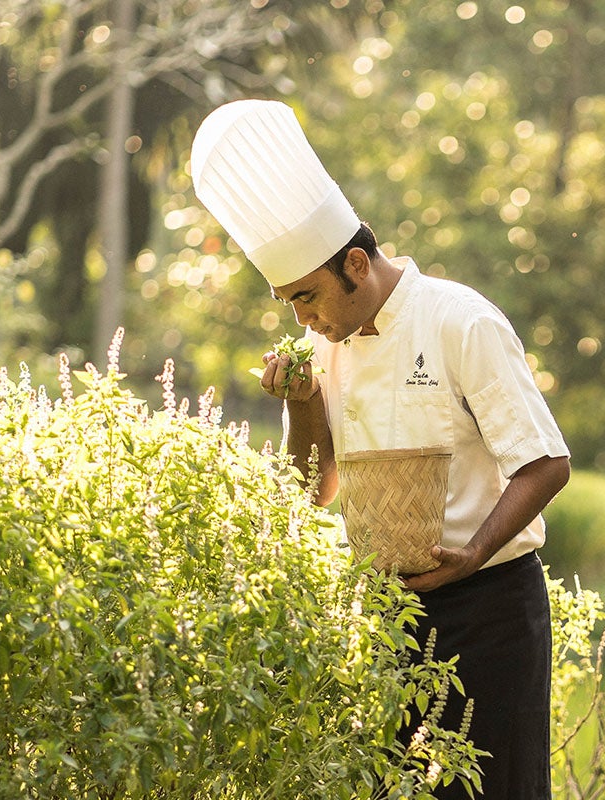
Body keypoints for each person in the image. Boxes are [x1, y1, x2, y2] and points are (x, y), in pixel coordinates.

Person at [191, 99, 571, 799]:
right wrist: (302, 407)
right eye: (289, 305)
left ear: (357, 265)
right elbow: (313, 486)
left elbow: (547, 463)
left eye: (308, 297)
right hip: (385, 621)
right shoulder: (322, 346)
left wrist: (476, 551)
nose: (304, 319)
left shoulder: (461, 320)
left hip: (489, 612)